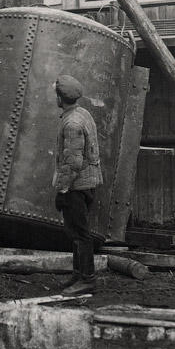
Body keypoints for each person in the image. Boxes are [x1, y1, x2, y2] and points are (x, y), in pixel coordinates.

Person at [53, 74, 102, 296]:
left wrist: (63, 189)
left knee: (80, 233)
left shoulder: (72, 123)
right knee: (76, 231)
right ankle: (78, 274)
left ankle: (87, 280)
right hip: (87, 183)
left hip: (76, 186)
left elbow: (73, 162)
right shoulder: (83, 113)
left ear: (60, 98)